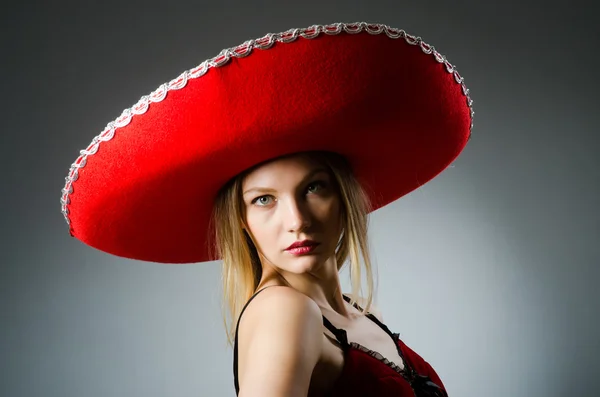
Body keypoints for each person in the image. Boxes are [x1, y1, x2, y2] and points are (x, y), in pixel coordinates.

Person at [60, 22, 473, 396]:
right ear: (242, 221)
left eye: (313, 188)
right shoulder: (286, 311)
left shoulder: (360, 313)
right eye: (263, 200)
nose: (296, 221)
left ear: (344, 197)